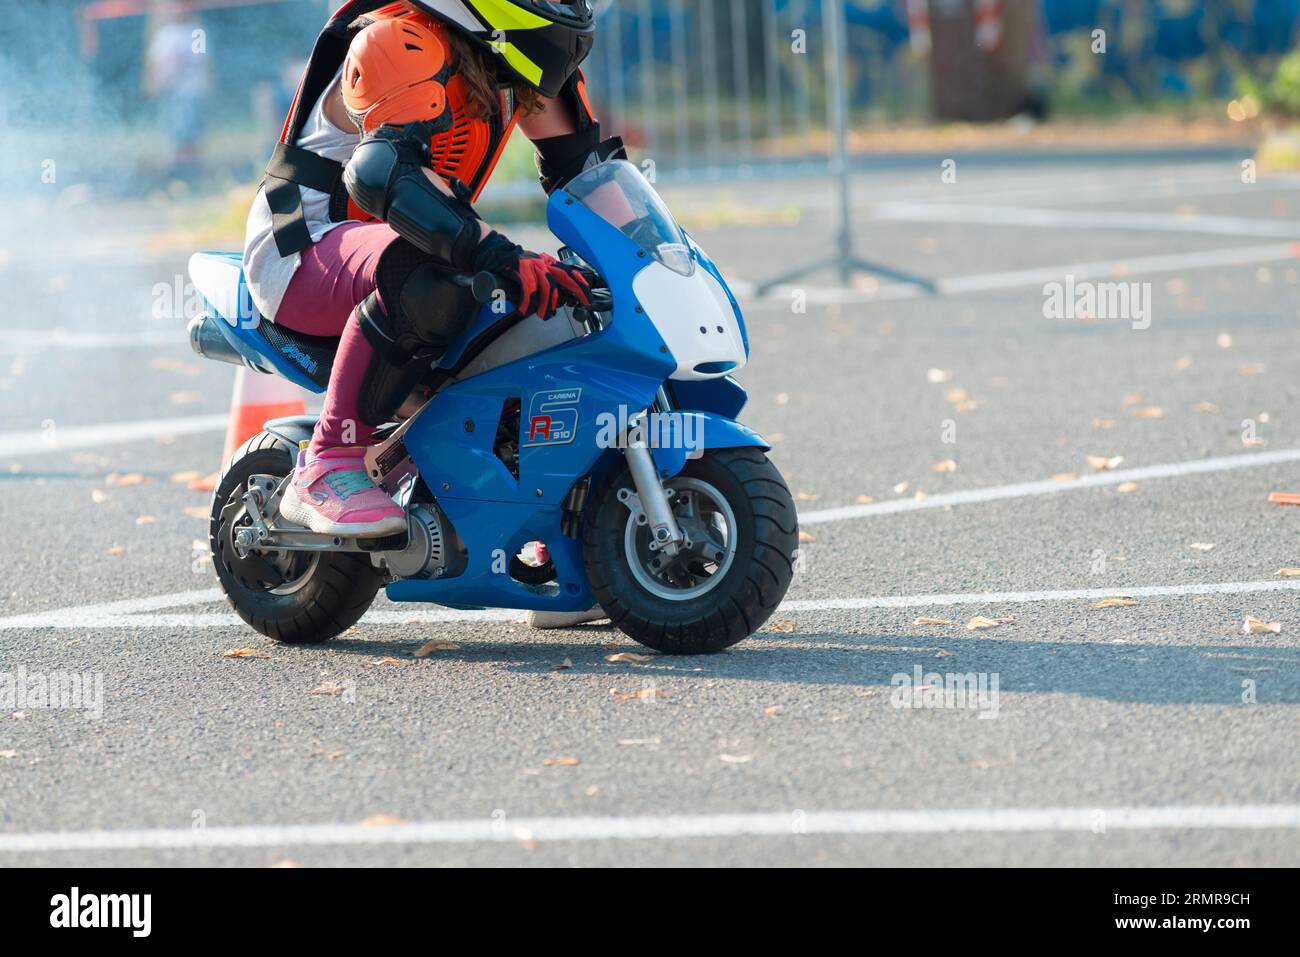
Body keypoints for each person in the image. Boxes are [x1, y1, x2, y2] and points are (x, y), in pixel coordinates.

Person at [242, 0, 623, 541]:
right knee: (433, 273)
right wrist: (500, 255)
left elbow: (591, 179)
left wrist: (648, 262)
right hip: (302, 248)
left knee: (559, 309)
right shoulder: (400, 42)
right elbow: (384, 176)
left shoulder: (513, 58)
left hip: (405, 242)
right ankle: (328, 463)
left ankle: (570, 537)